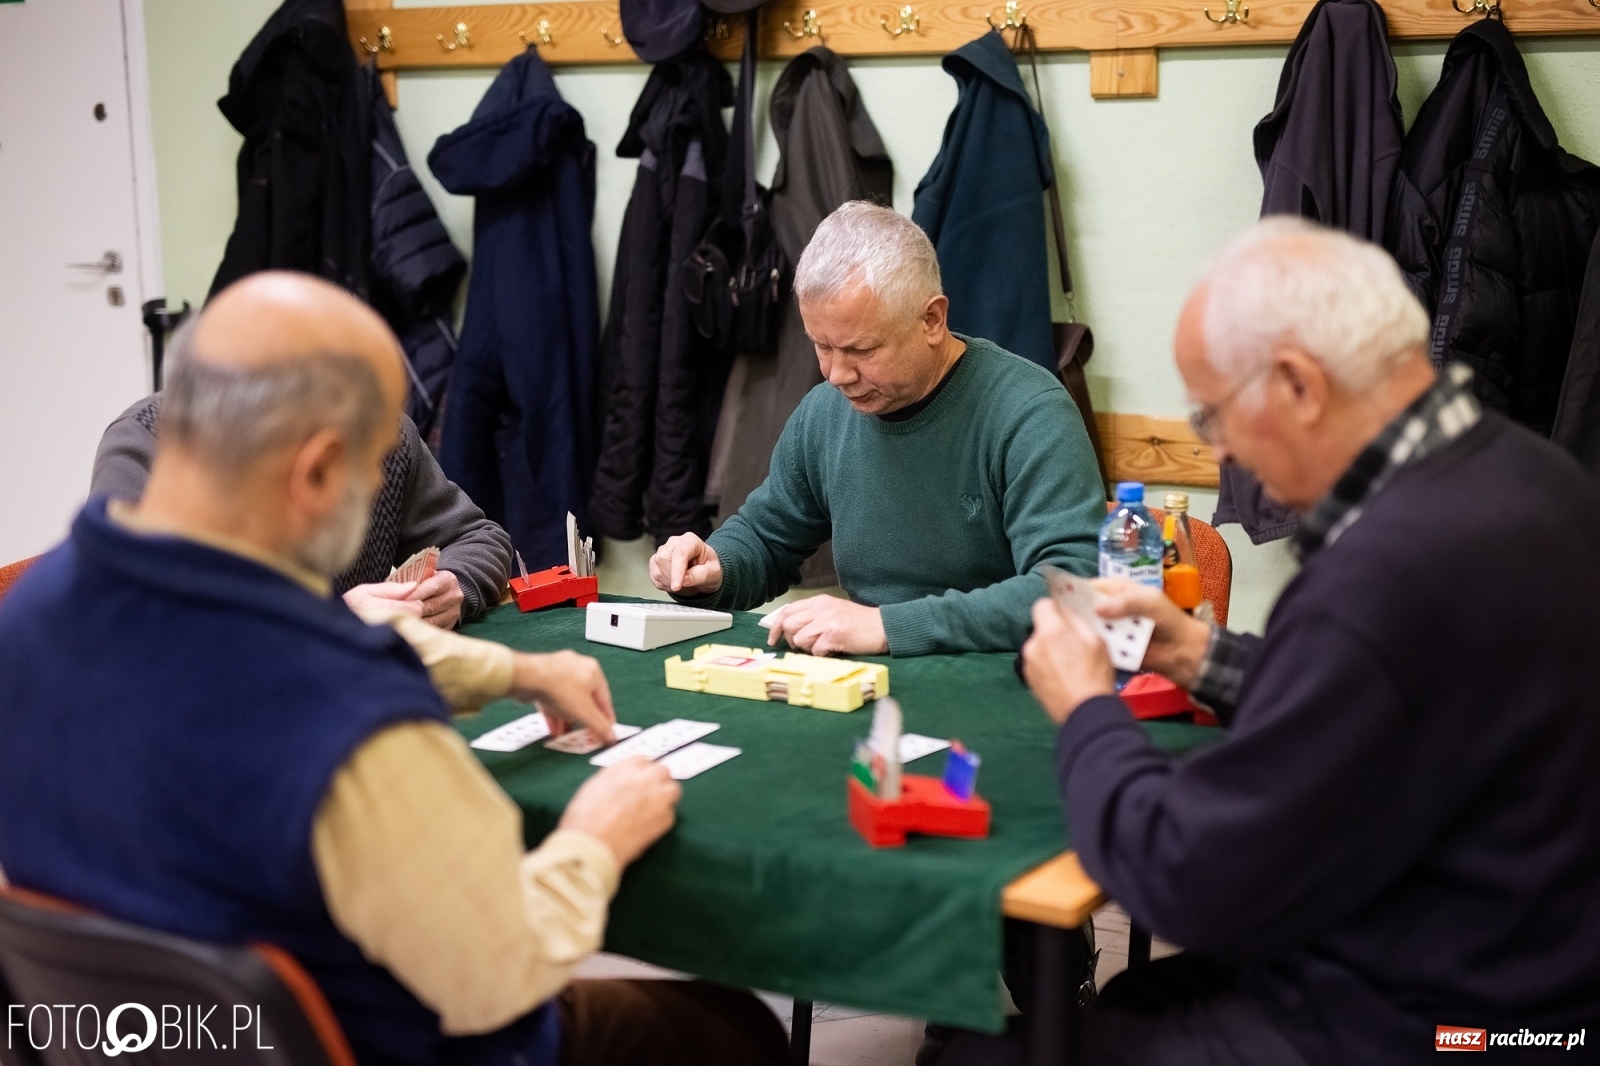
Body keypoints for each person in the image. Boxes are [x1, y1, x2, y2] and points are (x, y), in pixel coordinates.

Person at [0, 273, 787, 1066]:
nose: (384, 483)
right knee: (734, 1031)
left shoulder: (28, 618)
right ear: (315, 472)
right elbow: (498, 972)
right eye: (374, 464)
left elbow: (263, 653)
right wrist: (592, 840)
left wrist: (513, 671)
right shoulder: (354, 725)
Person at [1009, 219, 1600, 1065]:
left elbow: (1187, 876)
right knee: (1136, 1002)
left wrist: (1087, 708)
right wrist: (1195, 653)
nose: (1216, 447)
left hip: (1440, 1026)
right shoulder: (1534, 476)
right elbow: (1385, 701)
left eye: (1213, 413)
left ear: (1296, 385)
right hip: (1537, 986)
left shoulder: (1385, 574)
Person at [648, 202, 1104, 656]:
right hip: (866, 675)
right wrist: (716, 567)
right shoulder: (825, 413)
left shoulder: (1029, 412)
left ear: (932, 320)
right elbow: (766, 539)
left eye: (861, 350)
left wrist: (889, 626)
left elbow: (1072, 588)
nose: (836, 374)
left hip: (1006, 676)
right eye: (821, 345)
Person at [93, 392, 511, 631]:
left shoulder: (379, 429)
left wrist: (453, 586)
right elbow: (124, 618)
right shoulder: (151, 444)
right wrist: (327, 624)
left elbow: (477, 537)